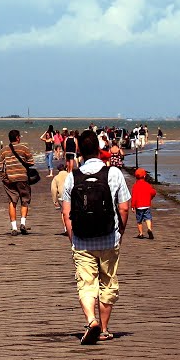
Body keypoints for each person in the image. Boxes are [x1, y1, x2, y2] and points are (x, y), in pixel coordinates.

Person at [62, 129, 131, 344]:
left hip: (82, 240)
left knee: (86, 283)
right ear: (100, 150)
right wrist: (120, 232)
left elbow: (66, 213)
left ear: (80, 151)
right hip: (109, 238)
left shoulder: (72, 177)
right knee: (108, 283)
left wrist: (73, 238)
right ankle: (104, 329)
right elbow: (124, 208)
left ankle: (91, 320)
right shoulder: (114, 174)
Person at [0, 129, 35, 236]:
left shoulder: (4, 150)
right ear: (18, 138)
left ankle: (14, 228)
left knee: (12, 201)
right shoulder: (24, 148)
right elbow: (31, 162)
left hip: (9, 179)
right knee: (25, 200)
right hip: (23, 178)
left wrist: (4, 178)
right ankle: (23, 223)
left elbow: (1, 166)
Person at [131, 168, 156, 239]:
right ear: (144, 176)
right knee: (148, 218)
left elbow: (134, 197)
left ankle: (141, 233)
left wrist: (133, 206)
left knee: (139, 220)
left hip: (139, 206)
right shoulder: (147, 184)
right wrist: (151, 197)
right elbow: (153, 192)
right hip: (146, 205)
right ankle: (149, 229)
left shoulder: (135, 186)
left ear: (136, 177)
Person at [50, 159, 73, 235]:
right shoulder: (70, 175)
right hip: (71, 195)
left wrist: (55, 201)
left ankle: (66, 228)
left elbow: (53, 190)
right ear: (65, 168)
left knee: (64, 212)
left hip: (61, 196)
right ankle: (72, 226)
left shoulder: (56, 178)